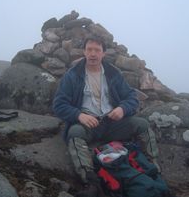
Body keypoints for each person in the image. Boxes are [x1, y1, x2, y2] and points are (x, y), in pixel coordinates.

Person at [53, 35, 160, 197]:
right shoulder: (72, 75)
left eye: (97, 50)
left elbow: (131, 97)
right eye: (89, 50)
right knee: (74, 133)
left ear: (103, 53)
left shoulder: (113, 73)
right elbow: (59, 105)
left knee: (142, 124)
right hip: (88, 124)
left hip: (112, 122)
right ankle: (90, 181)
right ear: (84, 52)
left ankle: (153, 168)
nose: (93, 54)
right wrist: (79, 115)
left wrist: (122, 109)